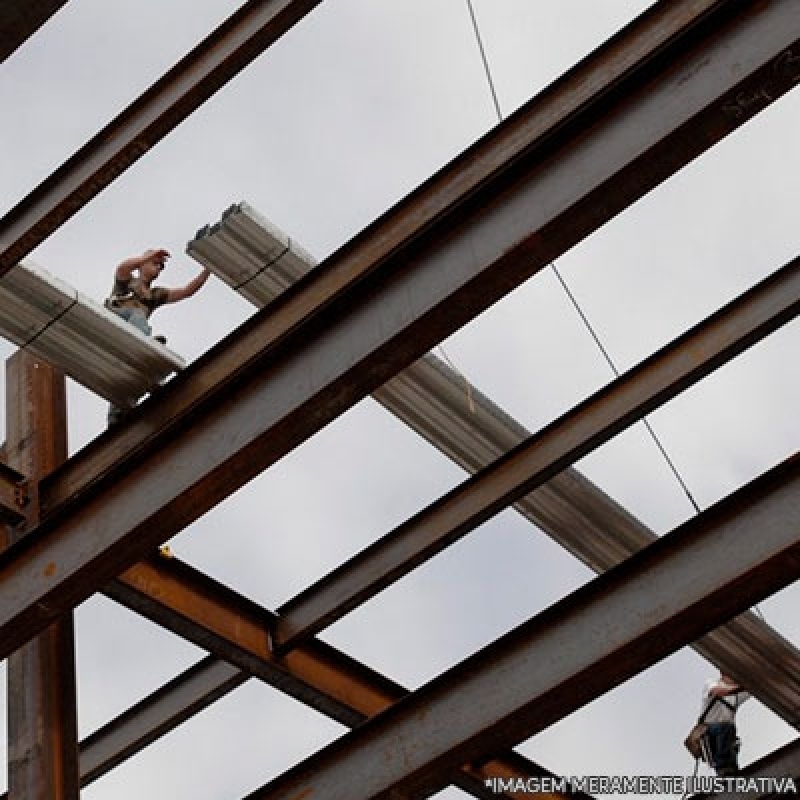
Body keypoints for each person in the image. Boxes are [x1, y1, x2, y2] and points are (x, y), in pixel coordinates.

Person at [105, 248, 211, 426]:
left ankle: (118, 414)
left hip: (134, 334)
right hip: (114, 321)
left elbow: (186, 291)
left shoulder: (155, 294)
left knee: (131, 370)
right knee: (138, 316)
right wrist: (147, 256)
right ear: (143, 264)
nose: (158, 269)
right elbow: (123, 267)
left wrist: (208, 269)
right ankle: (147, 344)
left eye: (161, 267)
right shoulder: (127, 282)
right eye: (155, 264)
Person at [700, 673, 750, 776]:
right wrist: (742, 686)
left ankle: (731, 768)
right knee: (726, 727)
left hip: (724, 734)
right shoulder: (712, 683)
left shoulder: (734, 696)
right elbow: (718, 692)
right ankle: (723, 768)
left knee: (729, 732)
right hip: (710, 731)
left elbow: (751, 691)